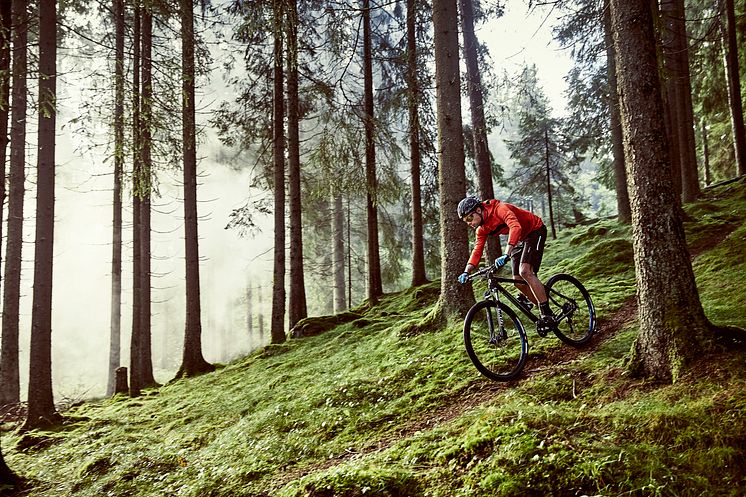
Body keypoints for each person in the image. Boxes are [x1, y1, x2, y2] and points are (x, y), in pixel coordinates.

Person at [456, 196, 555, 332]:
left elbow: (515, 226)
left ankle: (547, 313)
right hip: (520, 240)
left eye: (469, 218)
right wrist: (467, 271)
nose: (469, 223)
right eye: (465, 221)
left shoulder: (500, 209)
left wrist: (506, 253)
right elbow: (477, 250)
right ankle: (541, 308)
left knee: (525, 271)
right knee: (518, 282)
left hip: (535, 230)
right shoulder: (482, 229)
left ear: (478, 210)